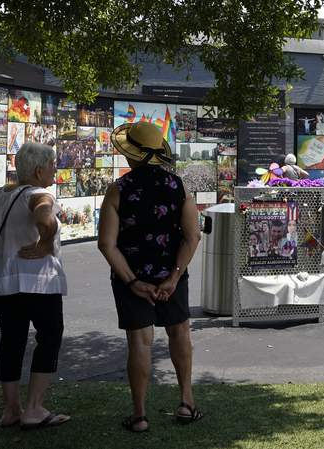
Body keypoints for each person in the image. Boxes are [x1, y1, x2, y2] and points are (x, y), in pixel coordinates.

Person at [98, 121, 203, 433]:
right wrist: (173, 277)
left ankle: (140, 415)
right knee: (179, 333)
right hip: (171, 276)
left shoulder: (119, 189)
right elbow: (192, 236)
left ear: (131, 154)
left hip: (131, 278)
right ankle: (186, 402)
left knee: (140, 343)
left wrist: (132, 281)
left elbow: (106, 243)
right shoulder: (178, 186)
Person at [0, 142, 69, 430]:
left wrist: (1, 230)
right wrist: (45, 244)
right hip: (39, 282)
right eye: (51, 166)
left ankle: (11, 410)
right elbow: (45, 219)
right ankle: (34, 408)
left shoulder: (2, 195)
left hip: (5, 283)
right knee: (50, 337)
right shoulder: (39, 195)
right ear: (38, 170)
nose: (54, 170)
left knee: (11, 342)